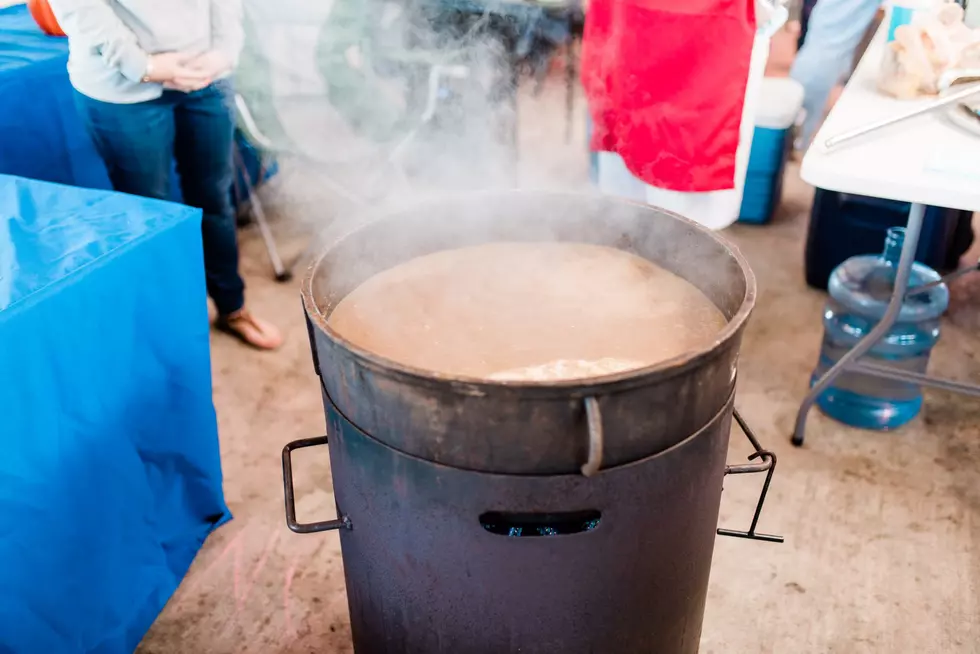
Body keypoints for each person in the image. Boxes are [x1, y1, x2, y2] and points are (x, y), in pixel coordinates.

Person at [47, 0, 283, 350]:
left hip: (206, 74)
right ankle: (173, 322)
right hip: (121, 86)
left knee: (215, 199)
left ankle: (232, 306)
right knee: (151, 215)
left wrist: (224, 51)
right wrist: (143, 65)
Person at [790, 0, 883, 149]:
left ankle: (798, 139)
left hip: (821, 54)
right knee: (803, 110)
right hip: (819, 65)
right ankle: (799, 142)